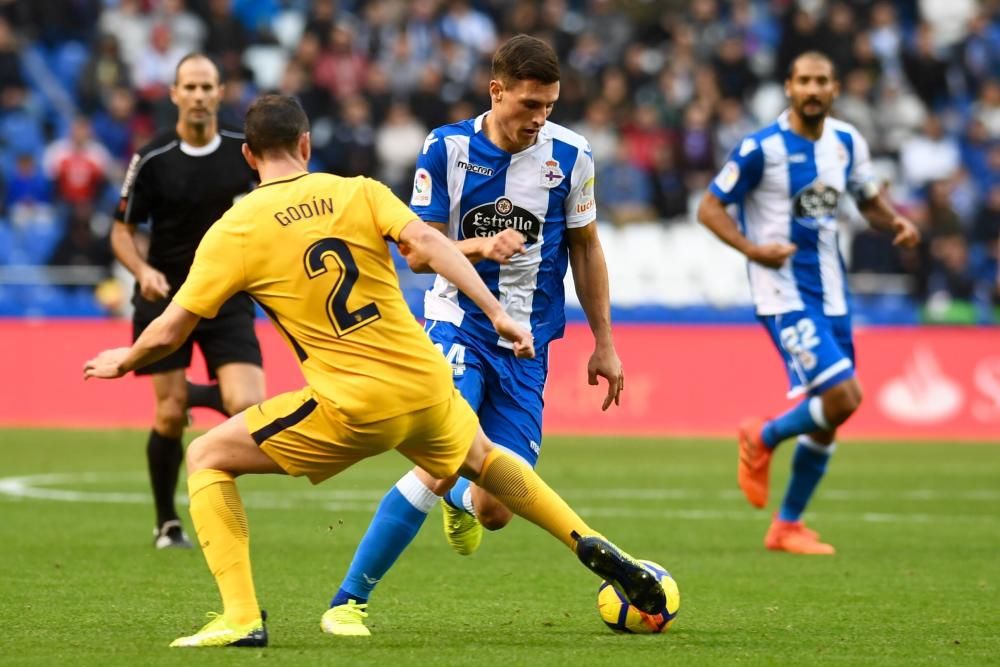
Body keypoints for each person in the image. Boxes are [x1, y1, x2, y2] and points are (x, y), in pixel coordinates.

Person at [83, 94, 666, 648]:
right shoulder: (359, 191)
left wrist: (126, 358)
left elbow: (173, 327)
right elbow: (430, 246)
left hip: (352, 405)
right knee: (485, 462)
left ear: (247, 155)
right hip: (424, 380)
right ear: (307, 146)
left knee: (207, 456)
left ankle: (240, 617)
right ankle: (586, 539)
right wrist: (496, 312)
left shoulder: (235, 231)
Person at [323, 34, 624, 636]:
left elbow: (587, 249)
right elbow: (416, 254)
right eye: (528, 105)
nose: (539, 120)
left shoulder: (572, 156)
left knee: (495, 507)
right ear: (497, 90)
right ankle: (347, 601)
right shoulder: (447, 148)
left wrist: (604, 341)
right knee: (440, 460)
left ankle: (463, 500)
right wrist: (478, 246)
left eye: (550, 106)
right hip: (456, 323)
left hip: (528, 345)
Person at [697, 51, 921, 554]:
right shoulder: (761, 149)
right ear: (789, 87)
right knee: (844, 396)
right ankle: (765, 436)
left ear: (835, 88)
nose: (813, 89)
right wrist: (754, 250)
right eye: (804, 81)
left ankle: (787, 525)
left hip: (833, 293)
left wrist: (896, 221)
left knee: (834, 411)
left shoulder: (846, 141)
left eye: (822, 81)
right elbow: (709, 208)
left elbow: (866, 198)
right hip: (784, 295)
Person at [109, 53, 265, 549]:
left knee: (249, 405)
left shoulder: (247, 150)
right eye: (189, 87)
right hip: (167, 295)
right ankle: (167, 522)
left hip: (228, 295)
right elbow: (121, 230)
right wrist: (142, 269)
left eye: (207, 87)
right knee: (169, 416)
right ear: (174, 94)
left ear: (221, 93)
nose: (198, 96)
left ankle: (200, 397)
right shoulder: (153, 158)